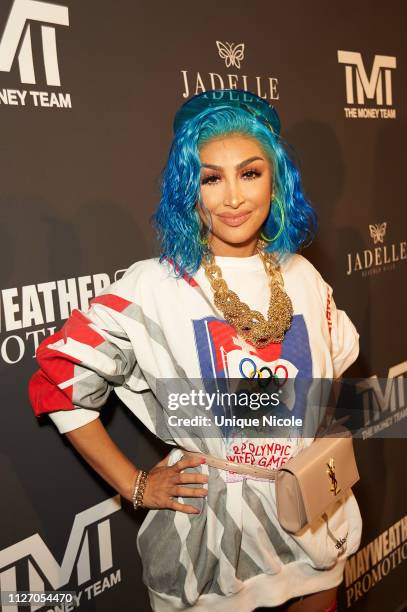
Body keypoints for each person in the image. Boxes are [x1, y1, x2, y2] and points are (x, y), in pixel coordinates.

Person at [28, 89, 362, 612]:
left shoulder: (303, 277)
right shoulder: (153, 286)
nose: (232, 197)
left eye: (250, 173)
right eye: (212, 178)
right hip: (209, 541)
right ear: (191, 188)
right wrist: (137, 486)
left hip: (312, 522)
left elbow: (332, 368)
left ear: (276, 182)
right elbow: (58, 380)